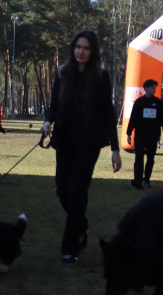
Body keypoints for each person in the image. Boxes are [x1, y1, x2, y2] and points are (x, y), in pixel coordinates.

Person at [41, 29, 121, 264]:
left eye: (86, 48)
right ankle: (81, 224)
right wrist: (47, 121)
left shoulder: (100, 76)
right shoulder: (63, 72)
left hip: (88, 143)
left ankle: (70, 247)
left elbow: (108, 113)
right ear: (73, 48)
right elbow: (54, 103)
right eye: (78, 47)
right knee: (62, 190)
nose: (81, 51)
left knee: (77, 193)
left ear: (93, 51)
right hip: (64, 141)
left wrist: (115, 149)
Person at [125, 78, 163, 189]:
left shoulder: (158, 103)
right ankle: (138, 180)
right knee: (139, 157)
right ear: (145, 88)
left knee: (150, 159)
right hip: (140, 136)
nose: (153, 89)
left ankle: (147, 180)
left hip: (153, 136)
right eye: (151, 87)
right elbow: (133, 119)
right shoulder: (139, 102)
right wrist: (129, 133)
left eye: (155, 87)